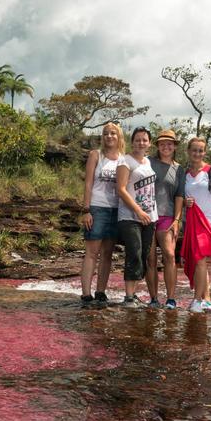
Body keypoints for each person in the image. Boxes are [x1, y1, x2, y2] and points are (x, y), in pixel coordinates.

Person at [79, 122, 125, 304]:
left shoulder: (123, 158)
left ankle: (100, 292)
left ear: (119, 136)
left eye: (113, 133)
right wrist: (86, 210)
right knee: (92, 253)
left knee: (107, 253)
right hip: (97, 208)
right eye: (106, 133)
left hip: (116, 209)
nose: (109, 136)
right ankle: (85, 294)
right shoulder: (95, 155)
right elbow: (88, 183)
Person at [181, 137, 211, 313]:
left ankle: (197, 300)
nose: (197, 153)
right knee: (199, 261)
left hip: (209, 221)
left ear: (205, 152)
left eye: (201, 150)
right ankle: (207, 299)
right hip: (191, 221)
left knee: (200, 259)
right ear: (188, 151)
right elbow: (180, 199)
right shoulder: (184, 174)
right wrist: (186, 202)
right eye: (194, 150)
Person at [116, 127, 158, 308]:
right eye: (138, 139)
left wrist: (148, 214)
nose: (141, 143)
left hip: (150, 217)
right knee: (134, 252)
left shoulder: (148, 162)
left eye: (145, 140)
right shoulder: (125, 161)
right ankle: (128, 297)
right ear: (132, 141)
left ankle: (134, 295)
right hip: (130, 217)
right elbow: (121, 189)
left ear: (149, 143)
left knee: (143, 255)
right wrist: (138, 211)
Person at [146, 129, 186, 309]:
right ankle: (153, 299)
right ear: (157, 146)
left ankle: (170, 299)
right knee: (151, 259)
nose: (166, 146)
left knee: (170, 255)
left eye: (169, 143)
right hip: (147, 216)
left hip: (167, 217)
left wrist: (177, 220)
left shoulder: (179, 169)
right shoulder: (148, 162)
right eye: (162, 143)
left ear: (175, 146)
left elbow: (179, 196)